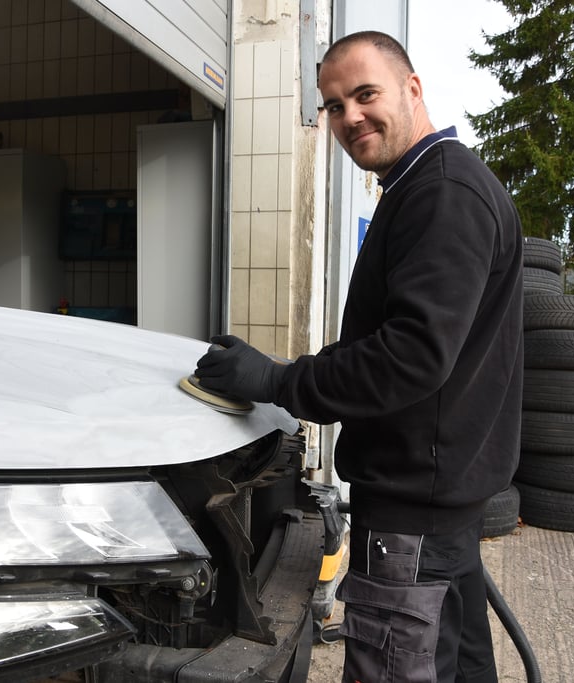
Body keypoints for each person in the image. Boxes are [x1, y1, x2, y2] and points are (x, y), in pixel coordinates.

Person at [194, 30, 523, 683]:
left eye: (365, 94)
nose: (350, 117)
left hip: (414, 515)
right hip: (438, 507)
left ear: (412, 88)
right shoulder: (428, 186)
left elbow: (411, 356)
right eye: (334, 105)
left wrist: (277, 380)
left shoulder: (442, 193)